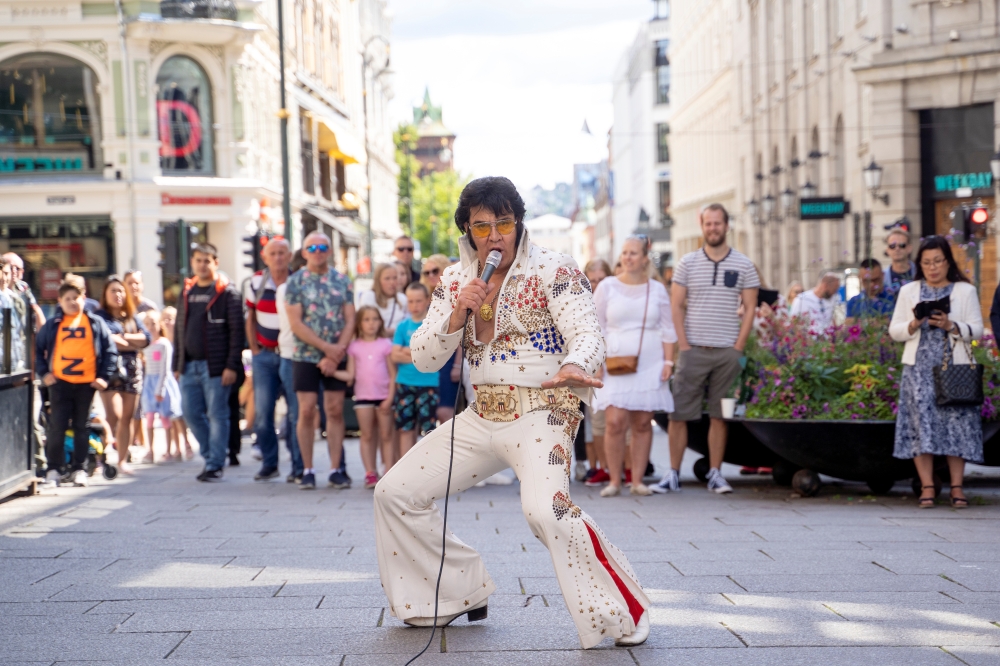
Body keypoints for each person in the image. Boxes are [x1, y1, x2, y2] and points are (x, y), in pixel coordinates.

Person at [374, 176, 650, 648]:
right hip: (481, 416)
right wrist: (455, 317)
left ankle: (623, 610)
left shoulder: (553, 267)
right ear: (467, 230)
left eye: (504, 223)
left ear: (518, 223)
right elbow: (423, 357)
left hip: (544, 409)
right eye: (483, 227)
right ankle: (453, 591)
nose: (496, 235)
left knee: (546, 510)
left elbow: (587, 331)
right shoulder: (456, 281)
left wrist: (573, 365)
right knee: (393, 492)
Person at [663, 203, 758, 495]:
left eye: (718, 223)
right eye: (708, 223)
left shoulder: (743, 264)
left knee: (720, 415)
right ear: (702, 226)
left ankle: (716, 473)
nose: (713, 228)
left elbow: (751, 307)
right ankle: (673, 474)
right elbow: (676, 305)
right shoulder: (687, 263)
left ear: (726, 226)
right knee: (678, 413)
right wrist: (685, 345)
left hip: (728, 351)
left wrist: (738, 347)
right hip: (694, 350)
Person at [891, 236, 983, 509]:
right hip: (918, 369)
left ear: (948, 262)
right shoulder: (909, 290)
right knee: (921, 426)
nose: (933, 268)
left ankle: (957, 487)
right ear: (920, 264)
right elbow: (894, 330)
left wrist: (951, 325)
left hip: (953, 369)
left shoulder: (965, 291)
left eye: (938, 261)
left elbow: (976, 329)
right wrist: (914, 323)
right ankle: (927, 486)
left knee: (957, 424)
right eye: (927, 262)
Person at [592, 237, 676, 497]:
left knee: (642, 422)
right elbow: (596, 327)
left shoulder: (657, 289)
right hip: (614, 361)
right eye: (624, 253)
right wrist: (597, 363)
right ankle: (615, 480)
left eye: (633, 253)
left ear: (644, 258)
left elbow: (667, 328)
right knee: (615, 421)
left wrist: (668, 361)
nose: (628, 257)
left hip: (649, 362)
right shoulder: (606, 286)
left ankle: (637, 480)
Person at [285, 231, 355, 491]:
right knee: (306, 410)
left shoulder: (342, 281)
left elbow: (350, 319)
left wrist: (336, 352)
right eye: (311, 247)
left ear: (329, 250)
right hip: (305, 355)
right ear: (304, 253)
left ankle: (336, 469)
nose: (317, 251)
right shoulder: (295, 282)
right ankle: (307, 469)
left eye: (322, 246)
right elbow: (296, 323)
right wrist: (327, 349)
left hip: (337, 353)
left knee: (335, 411)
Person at [36, 277, 117, 487]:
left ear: (84, 298)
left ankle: (79, 468)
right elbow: (37, 349)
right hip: (60, 383)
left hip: (86, 384)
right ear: (60, 301)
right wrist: (44, 373)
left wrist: (103, 377)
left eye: (76, 298)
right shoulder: (53, 324)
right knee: (57, 427)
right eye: (67, 298)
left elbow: (110, 351)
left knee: (83, 426)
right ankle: (54, 469)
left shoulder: (94, 323)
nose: (72, 302)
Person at [173, 243, 244, 482]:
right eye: (198, 260)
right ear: (193, 263)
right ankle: (213, 455)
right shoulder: (187, 291)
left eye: (207, 260)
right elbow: (178, 329)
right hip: (189, 365)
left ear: (216, 263)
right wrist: (177, 364)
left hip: (216, 366)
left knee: (217, 414)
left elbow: (237, 332)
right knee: (190, 412)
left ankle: (214, 464)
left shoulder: (228, 292)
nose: (202, 265)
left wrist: (232, 366)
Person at [244, 237, 299, 481]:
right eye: (273, 253)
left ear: (289, 256)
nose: (277, 257)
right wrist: (254, 347)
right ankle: (269, 462)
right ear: (265, 257)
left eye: (282, 253)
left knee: (295, 413)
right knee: (263, 413)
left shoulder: (298, 280)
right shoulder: (255, 281)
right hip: (265, 356)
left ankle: (299, 466)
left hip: (292, 356)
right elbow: (250, 315)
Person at [95, 275, 151, 473]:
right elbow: (107, 339)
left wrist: (124, 338)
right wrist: (130, 342)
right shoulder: (100, 316)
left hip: (132, 369)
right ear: (105, 294)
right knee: (114, 415)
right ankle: (100, 457)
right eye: (113, 291)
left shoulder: (131, 315)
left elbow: (146, 338)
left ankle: (121, 461)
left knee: (128, 416)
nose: (118, 294)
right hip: (110, 369)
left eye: (120, 291)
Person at [344, 306, 396, 488]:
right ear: (359, 324)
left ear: (380, 322)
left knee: (386, 435)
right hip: (363, 398)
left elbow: (392, 374)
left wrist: (390, 398)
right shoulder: (354, 347)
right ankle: (370, 472)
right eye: (366, 319)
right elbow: (350, 375)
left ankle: (389, 471)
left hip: (383, 397)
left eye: (375, 319)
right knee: (366, 435)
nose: (371, 323)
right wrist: (331, 371)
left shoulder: (386, 345)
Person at [390, 282, 439, 456]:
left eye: (418, 301)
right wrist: (418, 353)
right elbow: (394, 355)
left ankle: (427, 467)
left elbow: (433, 353)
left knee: (428, 430)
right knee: (406, 428)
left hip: (428, 383)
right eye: (410, 301)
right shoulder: (402, 326)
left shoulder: (433, 325)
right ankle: (406, 468)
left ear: (427, 300)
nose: (414, 305)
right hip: (405, 383)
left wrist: (407, 351)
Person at [582, 259, 612, 487]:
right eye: (592, 280)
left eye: (601, 279)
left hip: (615, 365)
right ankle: (601, 466)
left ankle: (616, 466)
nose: (597, 284)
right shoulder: (580, 302)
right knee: (595, 421)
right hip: (588, 366)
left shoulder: (614, 299)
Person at [423, 254, 463, 424]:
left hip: (450, 358)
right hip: (431, 358)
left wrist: (457, 364)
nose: (431, 275)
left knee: (445, 412)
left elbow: (462, 331)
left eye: (435, 271)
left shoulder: (454, 294)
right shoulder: (424, 297)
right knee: (432, 412)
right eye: (427, 272)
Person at [141, 310, 183, 462]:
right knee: (150, 418)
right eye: (146, 324)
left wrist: (160, 388)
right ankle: (150, 450)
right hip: (149, 383)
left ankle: (170, 450)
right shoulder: (145, 344)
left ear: (159, 325)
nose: (150, 327)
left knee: (167, 417)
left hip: (163, 383)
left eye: (153, 323)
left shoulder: (164, 344)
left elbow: (165, 368)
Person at [274, 274, 304, 484]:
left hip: (315, 355)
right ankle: (298, 466)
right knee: (296, 413)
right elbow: (296, 324)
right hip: (291, 354)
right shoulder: (286, 289)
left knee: (302, 413)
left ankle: (303, 466)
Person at [160, 307, 193, 460]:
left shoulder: (183, 339)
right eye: (164, 318)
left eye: (171, 318)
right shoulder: (161, 341)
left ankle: (186, 444)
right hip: (167, 383)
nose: (167, 322)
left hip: (180, 380)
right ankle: (177, 447)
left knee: (180, 415)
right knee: (170, 415)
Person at [357, 262, 407, 335]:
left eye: (395, 278)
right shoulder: (369, 296)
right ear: (378, 280)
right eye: (387, 278)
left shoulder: (403, 298)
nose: (392, 282)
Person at [845, 259, 895, 325]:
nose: (871, 285)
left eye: (875, 280)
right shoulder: (853, 302)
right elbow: (848, 324)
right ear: (860, 278)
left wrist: (860, 322)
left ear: (882, 276)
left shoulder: (894, 297)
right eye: (866, 281)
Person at [3, 252, 45, 327]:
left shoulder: (23, 287)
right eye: (11, 267)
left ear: (22, 272)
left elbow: (35, 309)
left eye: (17, 268)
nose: (14, 271)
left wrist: (44, 335)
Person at [883, 226, 916, 296]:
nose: (897, 249)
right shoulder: (882, 277)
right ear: (887, 250)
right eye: (892, 246)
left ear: (909, 248)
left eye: (902, 245)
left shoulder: (920, 272)